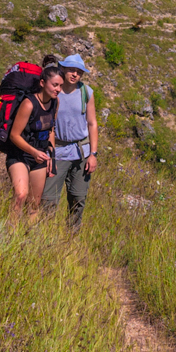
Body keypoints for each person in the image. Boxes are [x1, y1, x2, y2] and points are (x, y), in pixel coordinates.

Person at [44, 54, 98, 231]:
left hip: (81, 152)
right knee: (48, 199)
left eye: (79, 72)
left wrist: (93, 154)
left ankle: (71, 236)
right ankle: (44, 236)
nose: (75, 74)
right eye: (71, 70)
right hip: (57, 150)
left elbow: (92, 123)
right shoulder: (54, 91)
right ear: (63, 69)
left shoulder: (86, 92)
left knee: (78, 198)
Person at [5, 66, 62, 216]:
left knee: (34, 205)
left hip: (41, 155)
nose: (58, 89)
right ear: (42, 83)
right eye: (55, 85)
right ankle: (11, 234)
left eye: (60, 86)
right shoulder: (29, 104)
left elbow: (51, 130)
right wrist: (33, 151)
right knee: (20, 195)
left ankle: (29, 237)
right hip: (20, 154)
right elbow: (14, 135)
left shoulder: (55, 103)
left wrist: (51, 157)